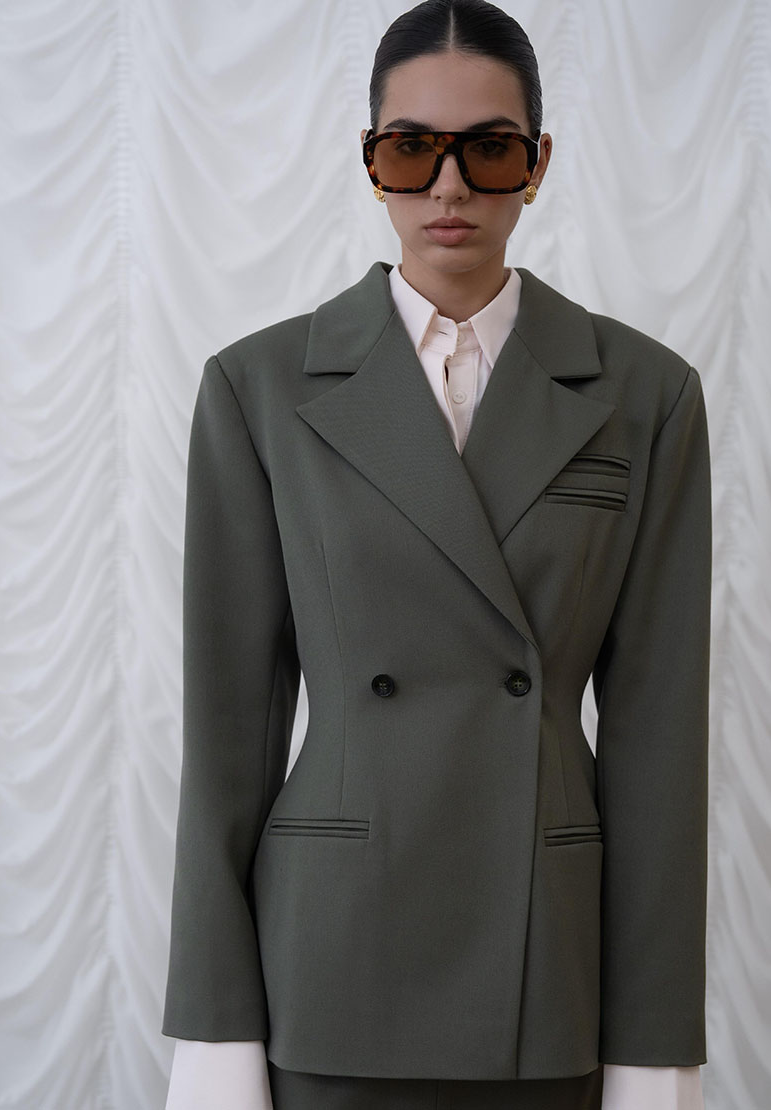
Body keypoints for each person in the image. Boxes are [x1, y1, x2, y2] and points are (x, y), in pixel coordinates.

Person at [161, 2, 711, 1108]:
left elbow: (660, 746)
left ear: (537, 164)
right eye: (412, 148)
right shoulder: (258, 389)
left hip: (543, 968)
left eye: (488, 149)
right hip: (330, 959)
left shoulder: (645, 395)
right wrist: (214, 1036)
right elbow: (228, 735)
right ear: (371, 161)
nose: (449, 187)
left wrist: (656, 1055)